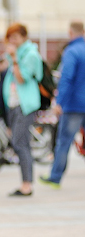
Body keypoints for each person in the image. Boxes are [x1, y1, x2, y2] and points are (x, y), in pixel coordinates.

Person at [40, 21, 85, 188]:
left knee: (64, 142)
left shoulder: (71, 52)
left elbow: (66, 78)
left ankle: (55, 176)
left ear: (70, 32)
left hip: (74, 105)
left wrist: (59, 102)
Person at [1, 23, 43, 197]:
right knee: (18, 142)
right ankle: (25, 183)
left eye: (16, 37)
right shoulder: (15, 54)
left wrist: (15, 58)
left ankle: (27, 185)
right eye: (10, 37)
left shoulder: (30, 54)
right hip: (13, 103)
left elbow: (22, 79)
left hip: (25, 105)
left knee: (21, 143)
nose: (13, 40)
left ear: (24, 36)